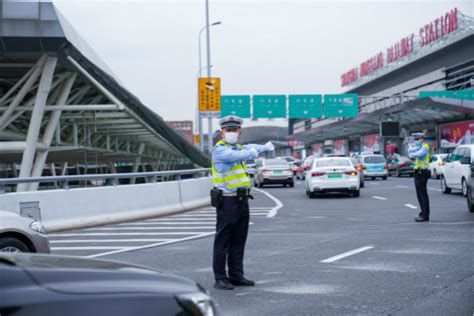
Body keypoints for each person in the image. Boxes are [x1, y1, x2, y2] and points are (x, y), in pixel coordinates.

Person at [211, 115, 275, 290]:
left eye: (234, 130)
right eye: (228, 130)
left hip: (241, 200)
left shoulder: (238, 147)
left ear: (239, 132)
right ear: (222, 132)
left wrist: (264, 147)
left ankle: (236, 275)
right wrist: (256, 152)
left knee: (239, 240)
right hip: (227, 201)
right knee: (223, 241)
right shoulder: (220, 150)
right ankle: (220, 278)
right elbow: (243, 154)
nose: (231, 133)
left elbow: (251, 147)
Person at [408, 133, 431, 222]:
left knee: (422, 194)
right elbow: (410, 151)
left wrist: (412, 152)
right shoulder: (420, 147)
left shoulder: (425, 147)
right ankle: (422, 213)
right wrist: (411, 150)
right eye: (415, 139)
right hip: (418, 172)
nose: (417, 141)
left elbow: (416, 154)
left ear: (422, 139)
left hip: (422, 172)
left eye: (418, 139)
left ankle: (425, 215)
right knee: (419, 194)